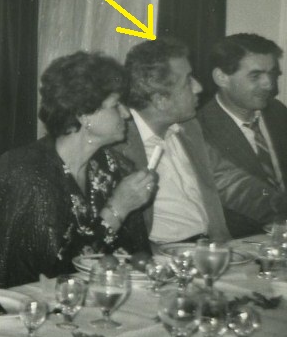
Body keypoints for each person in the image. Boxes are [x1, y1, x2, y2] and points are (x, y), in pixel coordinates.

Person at [0, 52, 155, 288]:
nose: (126, 114)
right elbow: (42, 278)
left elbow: (136, 260)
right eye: (116, 105)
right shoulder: (28, 175)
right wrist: (118, 209)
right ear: (84, 115)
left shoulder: (114, 167)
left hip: (103, 296)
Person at [118, 37, 277, 245]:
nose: (199, 87)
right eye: (188, 82)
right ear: (160, 100)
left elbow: (233, 184)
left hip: (212, 248)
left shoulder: (188, 129)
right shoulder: (119, 144)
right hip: (162, 256)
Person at [198, 33, 287, 236]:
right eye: (255, 76)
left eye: (272, 74)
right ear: (222, 78)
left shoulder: (278, 112)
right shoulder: (200, 129)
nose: (269, 85)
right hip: (241, 242)